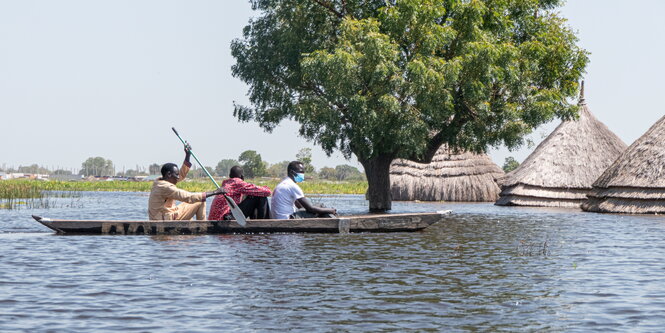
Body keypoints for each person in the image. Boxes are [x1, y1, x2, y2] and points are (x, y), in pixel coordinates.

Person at [148, 145, 226, 220]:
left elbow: (181, 175)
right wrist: (215, 192)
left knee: (195, 201)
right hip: (164, 218)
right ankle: (203, 226)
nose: (178, 177)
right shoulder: (166, 187)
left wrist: (187, 155)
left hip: (163, 215)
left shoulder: (160, 181)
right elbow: (188, 197)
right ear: (169, 174)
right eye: (176, 175)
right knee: (200, 200)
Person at [270, 161, 337, 219]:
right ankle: (334, 221)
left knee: (319, 207)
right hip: (288, 219)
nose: (302, 174)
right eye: (300, 172)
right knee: (321, 207)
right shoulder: (292, 186)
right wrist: (331, 210)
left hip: (280, 218)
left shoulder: (284, 183)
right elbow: (310, 208)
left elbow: (299, 205)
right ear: (292, 172)